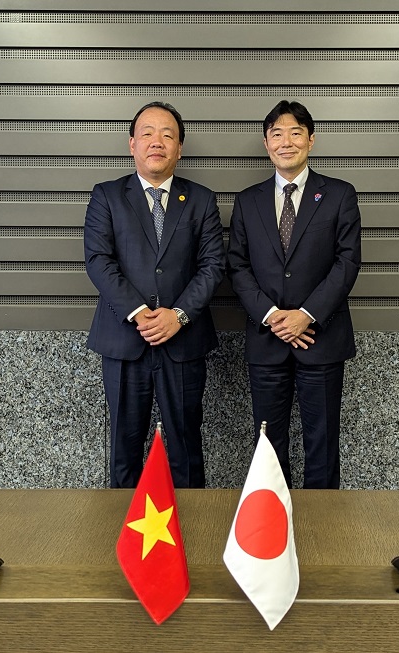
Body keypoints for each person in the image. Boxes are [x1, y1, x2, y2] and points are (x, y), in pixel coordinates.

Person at [84, 101, 225, 488]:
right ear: (132, 144)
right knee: (124, 449)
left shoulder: (200, 199)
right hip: (124, 340)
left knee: (186, 446)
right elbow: (98, 260)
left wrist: (178, 315)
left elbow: (213, 265)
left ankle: (190, 523)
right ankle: (123, 525)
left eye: (167, 134)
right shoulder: (107, 196)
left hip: (184, 341)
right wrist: (138, 311)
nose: (157, 142)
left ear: (180, 148)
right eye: (147, 133)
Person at [227, 100, 362, 489]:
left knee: (322, 441)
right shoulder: (248, 200)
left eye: (295, 133)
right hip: (267, 340)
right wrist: (273, 316)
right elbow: (237, 265)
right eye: (277, 134)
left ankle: (323, 520)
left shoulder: (339, 195)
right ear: (266, 143)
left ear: (311, 140)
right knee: (268, 444)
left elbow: (347, 262)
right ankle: (274, 520)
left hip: (321, 338)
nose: (286, 142)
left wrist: (306, 314)